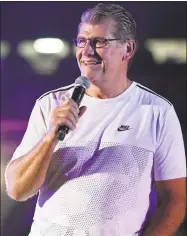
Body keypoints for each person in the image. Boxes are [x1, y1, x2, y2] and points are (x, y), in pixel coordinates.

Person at [5, 3, 186, 236]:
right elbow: (18, 190)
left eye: (99, 42)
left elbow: (175, 201)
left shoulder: (156, 112)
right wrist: (51, 136)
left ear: (128, 49)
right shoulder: (50, 105)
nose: (87, 51)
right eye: (82, 41)